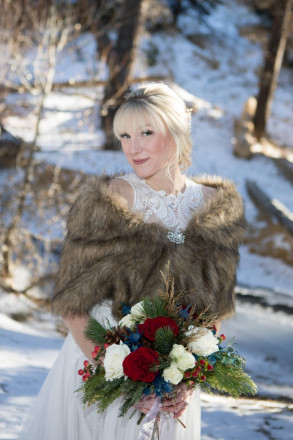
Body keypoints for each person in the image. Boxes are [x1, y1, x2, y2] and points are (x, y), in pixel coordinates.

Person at [18, 82, 246, 440]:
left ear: (175, 130)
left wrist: (188, 380)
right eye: (124, 135)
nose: (133, 147)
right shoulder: (111, 199)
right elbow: (72, 304)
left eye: (146, 132)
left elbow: (212, 313)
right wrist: (122, 375)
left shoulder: (216, 207)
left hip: (174, 386)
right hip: (102, 370)